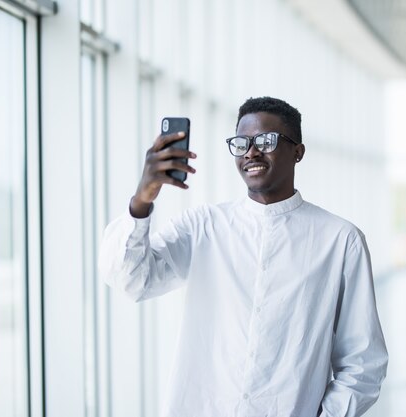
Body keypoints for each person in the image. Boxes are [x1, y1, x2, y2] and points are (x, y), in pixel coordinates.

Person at [99, 96, 388, 417]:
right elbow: (133, 281)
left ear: (298, 151)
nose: (251, 151)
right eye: (242, 143)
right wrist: (143, 198)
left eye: (266, 140)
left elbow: (363, 361)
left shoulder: (341, 239)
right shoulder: (203, 226)